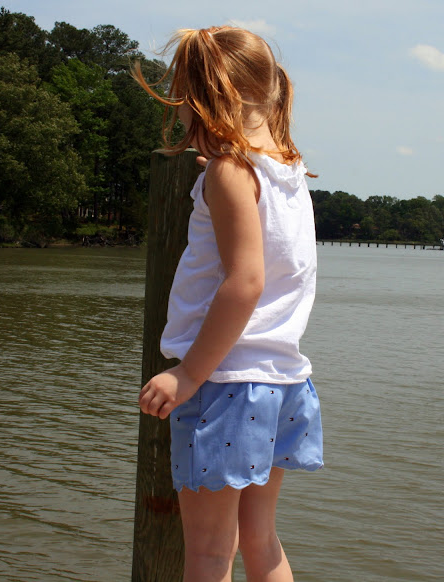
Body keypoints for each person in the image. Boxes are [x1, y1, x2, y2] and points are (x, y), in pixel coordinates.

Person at [134, 26, 323, 582]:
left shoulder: (231, 173)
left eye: (183, 102)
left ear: (207, 100)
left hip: (225, 384)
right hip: (283, 382)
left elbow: (245, 282)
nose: (181, 117)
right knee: (260, 539)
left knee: (210, 553)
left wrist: (188, 374)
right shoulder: (288, 172)